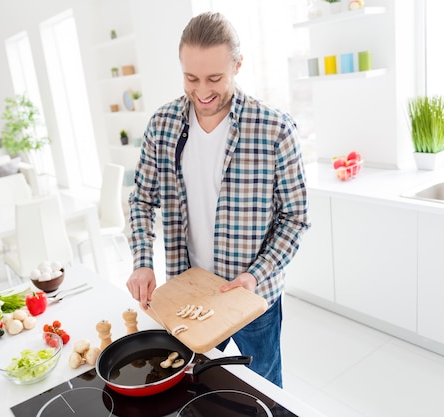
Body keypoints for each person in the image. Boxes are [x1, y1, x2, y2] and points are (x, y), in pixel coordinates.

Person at [125, 11, 310, 388]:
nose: (202, 90)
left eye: (214, 78)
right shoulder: (162, 126)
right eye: (191, 78)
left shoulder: (274, 129)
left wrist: (254, 276)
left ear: (238, 65)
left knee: (262, 391)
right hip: (186, 294)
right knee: (195, 390)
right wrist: (143, 262)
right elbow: (141, 200)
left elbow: (295, 219)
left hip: (250, 298)